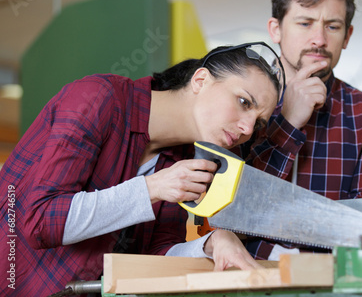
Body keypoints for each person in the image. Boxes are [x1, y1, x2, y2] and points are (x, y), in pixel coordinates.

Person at [0, 41, 284, 295]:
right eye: (244, 102)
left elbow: (154, 253)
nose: (247, 128)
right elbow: (40, 220)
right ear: (200, 80)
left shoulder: (184, 158)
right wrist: (153, 189)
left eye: (258, 123)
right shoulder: (98, 98)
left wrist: (212, 242)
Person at [240, 0, 362, 260]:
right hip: (248, 278)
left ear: (347, 36)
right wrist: (287, 123)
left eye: (332, 26)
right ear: (276, 29)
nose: (319, 40)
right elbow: (229, 208)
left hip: (332, 284)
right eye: (305, 23)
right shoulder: (241, 100)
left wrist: (304, 262)